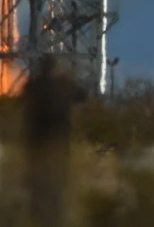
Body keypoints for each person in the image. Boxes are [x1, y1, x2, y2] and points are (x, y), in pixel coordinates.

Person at [21, 54, 88, 227]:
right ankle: (56, 217)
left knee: (36, 185)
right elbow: (83, 96)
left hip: (35, 144)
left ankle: (36, 217)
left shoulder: (33, 86)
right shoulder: (64, 86)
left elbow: (22, 101)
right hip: (59, 142)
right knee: (58, 184)